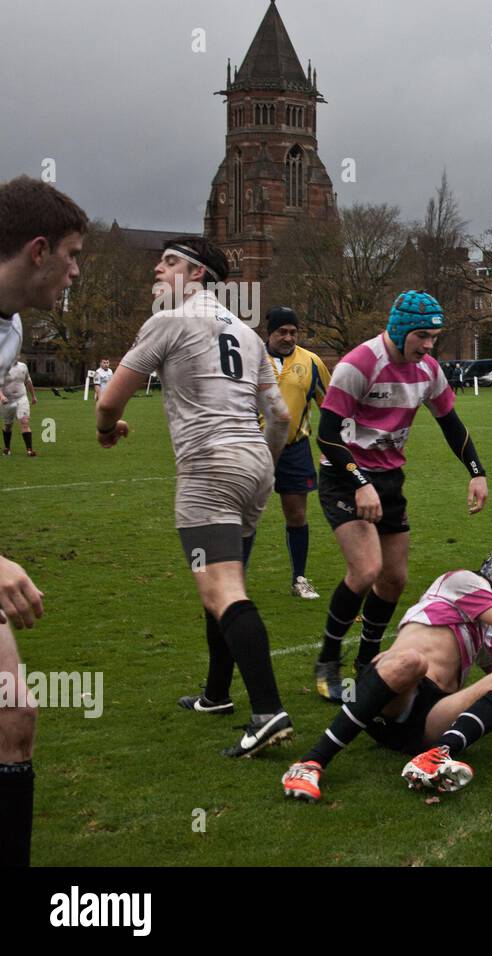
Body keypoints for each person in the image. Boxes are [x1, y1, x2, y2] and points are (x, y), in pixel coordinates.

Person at [96, 235, 295, 758]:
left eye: (169, 263)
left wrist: (106, 427)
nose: (157, 272)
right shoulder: (250, 335)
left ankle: (268, 712)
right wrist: (263, 468)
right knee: (224, 580)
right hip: (254, 463)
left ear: (201, 274)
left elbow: (110, 399)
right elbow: (280, 417)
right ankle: (215, 694)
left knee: (223, 589)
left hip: (209, 464)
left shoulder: (168, 322)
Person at [281, 548, 492, 801]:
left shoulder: (483, 635)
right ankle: (310, 763)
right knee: (411, 660)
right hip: (390, 696)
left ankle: (436, 757)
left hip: (427, 723)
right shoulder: (462, 582)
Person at [311, 291, 488, 702]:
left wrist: (477, 472)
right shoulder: (359, 364)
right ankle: (328, 661)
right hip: (345, 476)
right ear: (401, 329)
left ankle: (367, 662)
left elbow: (451, 423)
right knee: (367, 570)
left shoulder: (427, 369)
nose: (429, 345)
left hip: (389, 479)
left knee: (394, 579)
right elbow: (327, 433)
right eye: (423, 335)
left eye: (434, 337)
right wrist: (360, 482)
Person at [0, 175, 85, 866]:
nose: (78, 269)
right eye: (72, 254)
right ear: (37, 251)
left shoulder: (12, 330)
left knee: (13, 719)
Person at [262, 306, 331, 600]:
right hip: (254, 449)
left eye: (293, 332)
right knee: (242, 516)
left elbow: (331, 407)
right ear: (270, 333)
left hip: (295, 449)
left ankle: (299, 579)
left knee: (297, 514)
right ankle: (233, 580)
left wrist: (333, 449)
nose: (288, 337)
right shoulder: (251, 359)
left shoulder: (312, 362)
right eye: (282, 332)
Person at [0, 355, 36, 457]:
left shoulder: (23, 366)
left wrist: (33, 396)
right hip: (7, 401)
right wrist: (2, 397)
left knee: (24, 421)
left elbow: (28, 381)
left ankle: (29, 450)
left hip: (21, 398)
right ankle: (7, 448)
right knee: (8, 425)